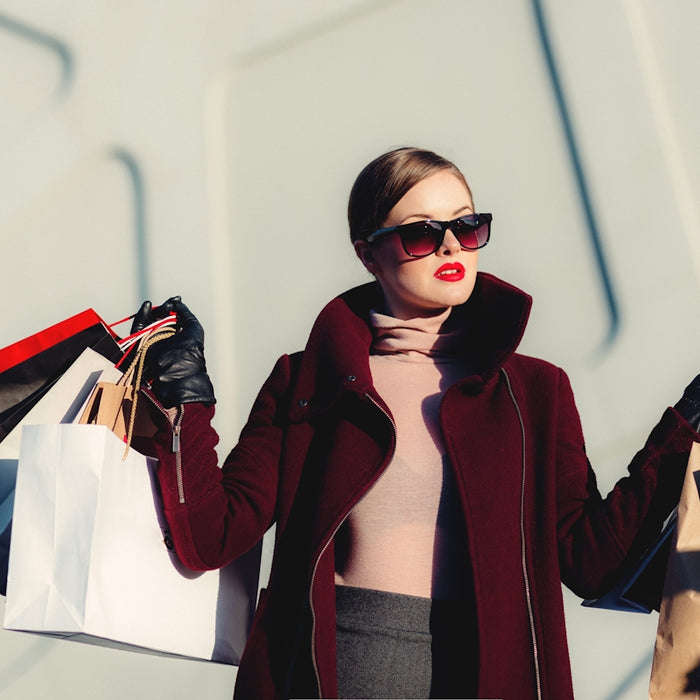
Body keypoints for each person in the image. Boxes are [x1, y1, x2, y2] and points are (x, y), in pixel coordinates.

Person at [133, 146, 700, 700]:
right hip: (337, 674)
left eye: (467, 226)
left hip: (490, 675)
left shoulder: (535, 391)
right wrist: (186, 398)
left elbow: (592, 561)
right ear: (368, 254)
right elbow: (212, 536)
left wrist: (684, 428)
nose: (451, 246)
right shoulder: (309, 381)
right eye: (422, 233)